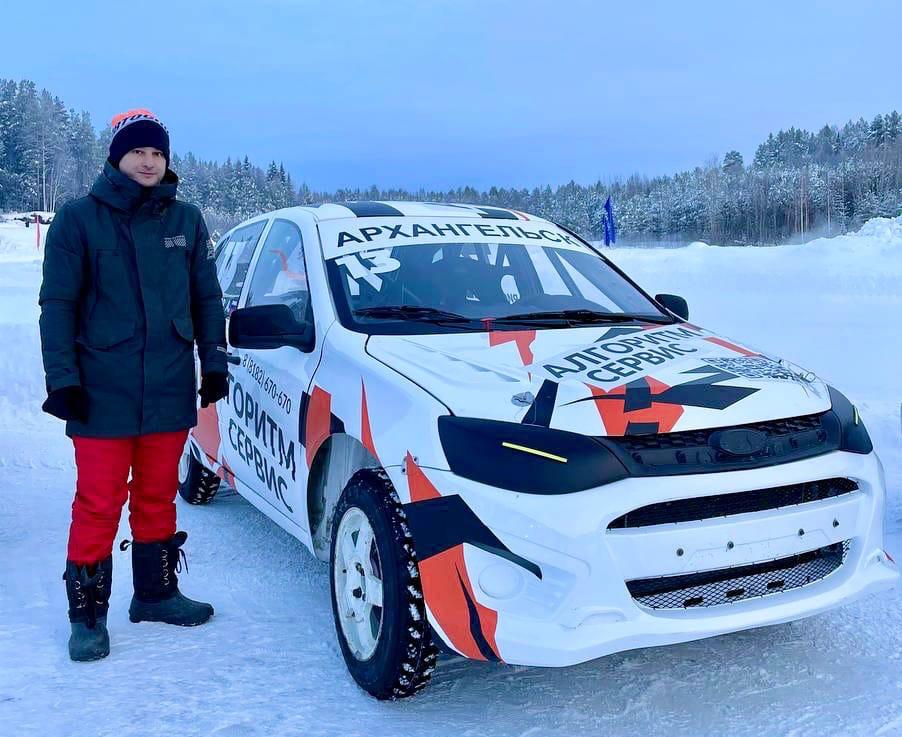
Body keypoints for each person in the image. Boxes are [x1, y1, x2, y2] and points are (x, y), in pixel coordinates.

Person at [38, 109, 230, 661]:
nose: (148, 162)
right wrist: (63, 380)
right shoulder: (78, 220)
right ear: (116, 157)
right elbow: (58, 305)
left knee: (157, 493)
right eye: (138, 152)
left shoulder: (187, 220)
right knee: (98, 501)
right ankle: (87, 617)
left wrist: (213, 361)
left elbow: (206, 297)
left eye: (157, 153)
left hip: (168, 383)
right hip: (102, 388)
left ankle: (155, 594)